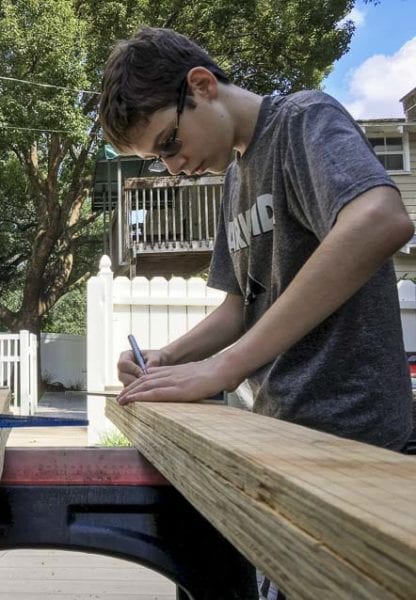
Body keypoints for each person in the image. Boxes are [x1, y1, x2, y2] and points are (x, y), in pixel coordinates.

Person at [98, 27, 414, 600]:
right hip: (282, 443)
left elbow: (380, 220)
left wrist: (225, 368)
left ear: (201, 86)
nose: (172, 167)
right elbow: (239, 305)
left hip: (359, 447)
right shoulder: (237, 178)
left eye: (168, 143)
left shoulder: (303, 120)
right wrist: (169, 359)